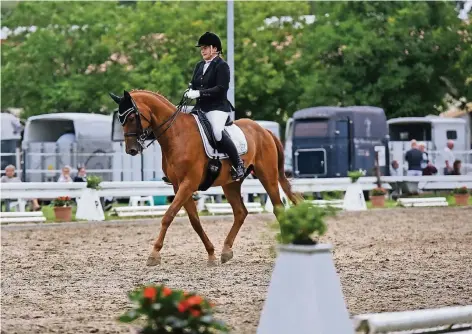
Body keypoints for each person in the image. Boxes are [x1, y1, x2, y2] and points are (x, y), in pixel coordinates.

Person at [183, 31, 245, 181]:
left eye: (205, 47)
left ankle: (238, 165)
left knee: (217, 131)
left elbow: (221, 89)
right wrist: (190, 90)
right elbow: (194, 83)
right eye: (201, 48)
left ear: (215, 49)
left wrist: (199, 93)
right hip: (200, 108)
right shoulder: (199, 66)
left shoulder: (222, 66)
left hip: (217, 107)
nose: (202, 51)